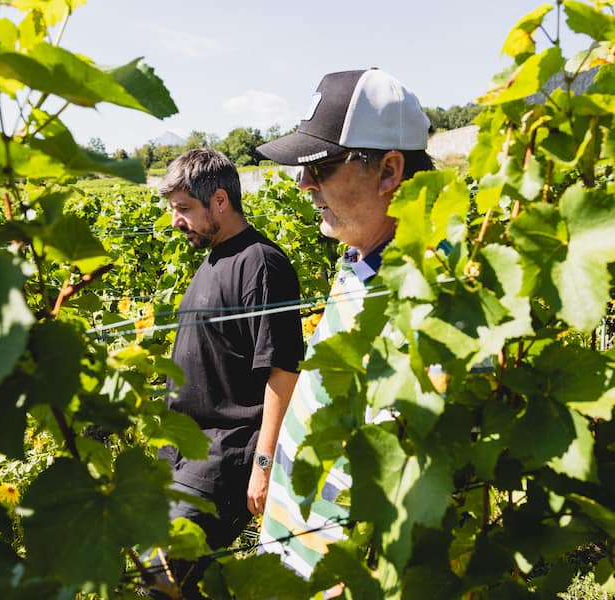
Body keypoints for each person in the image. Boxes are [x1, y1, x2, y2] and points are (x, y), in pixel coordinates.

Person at [254, 68, 435, 580]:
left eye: (320, 167)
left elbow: (410, 478)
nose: (304, 184)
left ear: (389, 171)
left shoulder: (430, 296)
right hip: (296, 557)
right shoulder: (358, 262)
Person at [151, 148, 304, 598]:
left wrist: (264, 464)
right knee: (181, 584)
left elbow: (282, 369)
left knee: (160, 580)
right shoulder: (213, 260)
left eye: (183, 208)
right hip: (181, 456)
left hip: (223, 457)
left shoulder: (262, 263)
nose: (175, 221)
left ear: (219, 200)